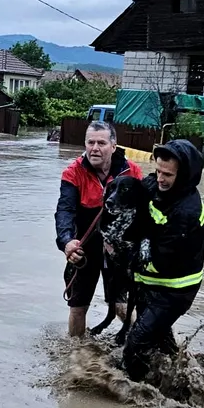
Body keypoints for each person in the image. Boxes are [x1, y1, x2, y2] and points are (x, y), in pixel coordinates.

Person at [122, 139, 204, 382]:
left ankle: (135, 393)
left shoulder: (186, 212)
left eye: (167, 174)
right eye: (158, 170)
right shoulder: (156, 185)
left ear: (184, 175)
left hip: (174, 291)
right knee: (159, 340)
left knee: (134, 345)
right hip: (150, 282)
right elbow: (138, 192)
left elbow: (160, 261)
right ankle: (181, 376)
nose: (159, 178)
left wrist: (124, 253)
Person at [55, 121, 143, 337]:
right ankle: (77, 353)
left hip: (119, 250)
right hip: (84, 248)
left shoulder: (132, 171)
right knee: (78, 307)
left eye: (101, 143)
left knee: (122, 307)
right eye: (90, 142)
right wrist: (66, 241)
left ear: (113, 146)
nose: (94, 148)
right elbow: (65, 211)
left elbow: (144, 213)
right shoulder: (73, 172)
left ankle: (141, 342)